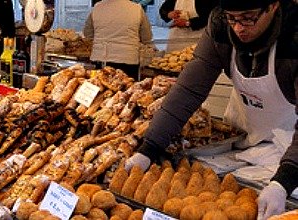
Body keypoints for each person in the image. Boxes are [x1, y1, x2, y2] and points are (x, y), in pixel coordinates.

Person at [125, 0, 298, 219]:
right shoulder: (219, 26)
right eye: (232, 18)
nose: (238, 28)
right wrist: (149, 147)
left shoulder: (294, 36)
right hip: (247, 137)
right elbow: (189, 90)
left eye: (248, 18)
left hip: (292, 141)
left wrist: (284, 181)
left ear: (273, 6)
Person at [83, 0, 153, 80]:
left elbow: (88, 33)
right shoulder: (137, 9)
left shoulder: (97, 7)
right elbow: (146, 37)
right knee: (128, 90)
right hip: (129, 59)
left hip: (101, 58)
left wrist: (99, 42)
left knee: (100, 88)